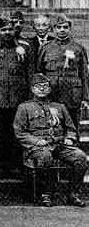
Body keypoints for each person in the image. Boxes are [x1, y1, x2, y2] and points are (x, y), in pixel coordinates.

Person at [13, 73, 88, 207]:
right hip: (38, 147)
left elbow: (70, 128)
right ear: (32, 89)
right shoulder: (24, 107)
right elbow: (20, 132)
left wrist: (70, 138)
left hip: (58, 144)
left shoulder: (60, 107)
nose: (42, 89)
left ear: (50, 89)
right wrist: (35, 141)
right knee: (45, 156)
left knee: (80, 157)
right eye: (38, 86)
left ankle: (73, 194)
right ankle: (45, 194)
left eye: (45, 86)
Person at [0, 16, 34, 177]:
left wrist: (30, 98)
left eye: (10, 29)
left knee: (17, 134)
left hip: (19, 99)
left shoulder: (25, 47)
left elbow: (30, 74)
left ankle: (16, 166)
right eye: (3, 29)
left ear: (15, 30)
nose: (7, 32)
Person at [36, 14, 88, 125]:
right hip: (52, 95)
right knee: (53, 127)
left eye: (65, 27)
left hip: (72, 95)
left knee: (73, 127)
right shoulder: (46, 48)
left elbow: (84, 74)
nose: (62, 30)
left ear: (69, 29)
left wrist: (85, 97)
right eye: (58, 27)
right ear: (53, 29)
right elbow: (39, 72)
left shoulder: (78, 48)